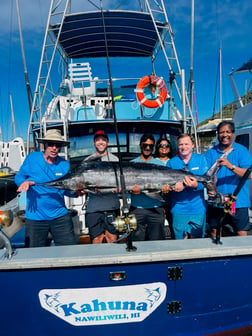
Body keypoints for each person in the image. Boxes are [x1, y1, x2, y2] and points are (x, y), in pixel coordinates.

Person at [15, 129, 78, 247]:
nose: (54, 148)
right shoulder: (32, 158)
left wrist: (77, 193)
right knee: (33, 255)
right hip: (35, 218)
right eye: (51, 144)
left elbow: (65, 190)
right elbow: (19, 177)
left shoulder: (64, 165)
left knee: (69, 251)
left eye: (57, 145)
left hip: (60, 217)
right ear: (45, 145)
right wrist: (24, 182)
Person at [205, 120, 252, 238]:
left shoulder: (241, 151)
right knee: (215, 231)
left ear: (233, 133)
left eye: (228, 132)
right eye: (221, 132)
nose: (224, 135)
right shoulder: (211, 153)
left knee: (241, 232)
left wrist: (230, 166)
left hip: (238, 202)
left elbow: (249, 174)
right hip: (217, 202)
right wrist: (209, 189)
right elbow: (206, 176)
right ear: (217, 134)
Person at [166, 134, 208, 239]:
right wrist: (172, 188)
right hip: (178, 209)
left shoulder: (201, 159)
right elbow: (166, 184)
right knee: (181, 243)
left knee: (197, 242)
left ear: (193, 145)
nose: (183, 147)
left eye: (186, 144)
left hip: (198, 209)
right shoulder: (171, 163)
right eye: (181, 144)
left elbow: (207, 182)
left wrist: (196, 185)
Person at [84, 130, 120, 244]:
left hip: (112, 207)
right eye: (98, 140)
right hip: (94, 208)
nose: (101, 142)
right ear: (94, 143)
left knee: (112, 238)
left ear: (107, 143)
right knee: (96, 239)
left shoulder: (115, 160)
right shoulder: (87, 161)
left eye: (103, 140)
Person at [130, 133, 166, 241]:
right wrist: (131, 191)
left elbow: (164, 185)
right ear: (140, 146)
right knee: (136, 242)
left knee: (157, 241)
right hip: (137, 209)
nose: (148, 148)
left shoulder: (160, 164)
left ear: (154, 147)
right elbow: (126, 187)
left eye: (151, 146)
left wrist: (165, 189)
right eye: (145, 145)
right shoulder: (132, 164)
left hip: (156, 208)